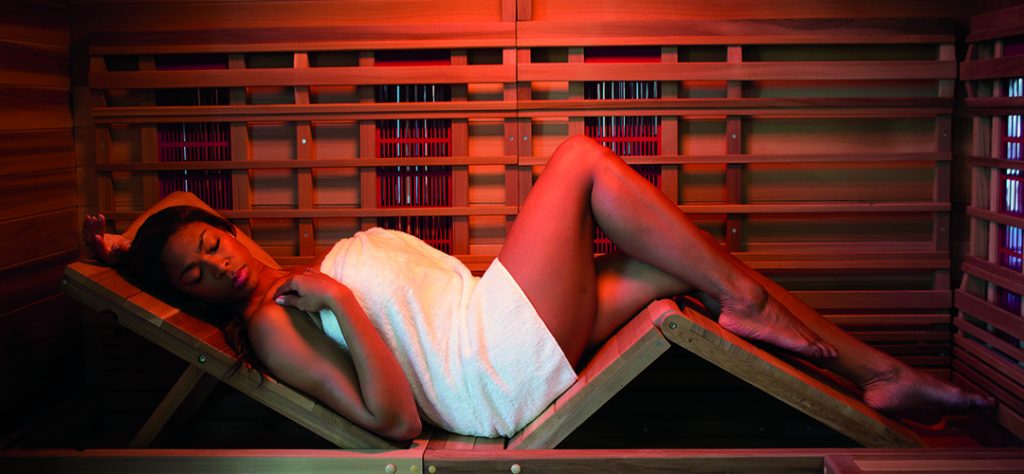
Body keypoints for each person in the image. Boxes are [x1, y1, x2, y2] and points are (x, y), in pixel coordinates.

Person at [82, 135, 993, 441]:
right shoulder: (280, 324)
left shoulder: (285, 275)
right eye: (195, 278)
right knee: (581, 161)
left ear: (230, 226)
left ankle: (874, 373)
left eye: (211, 244)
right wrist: (341, 304)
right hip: (491, 366)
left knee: (689, 263)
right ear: (203, 296)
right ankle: (756, 312)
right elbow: (395, 424)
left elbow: (183, 212)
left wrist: (132, 243)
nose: (215, 268)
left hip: (496, 340)